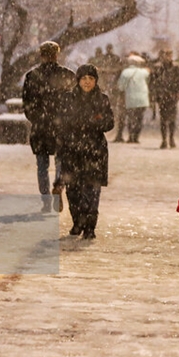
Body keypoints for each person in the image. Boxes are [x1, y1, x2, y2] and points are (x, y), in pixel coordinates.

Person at [57, 64, 114, 239]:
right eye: (84, 78)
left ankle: (90, 226)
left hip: (95, 151)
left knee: (92, 190)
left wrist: (93, 122)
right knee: (73, 189)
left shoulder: (102, 99)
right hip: (72, 150)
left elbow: (109, 123)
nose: (87, 82)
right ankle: (77, 222)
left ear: (96, 81)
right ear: (78, 80)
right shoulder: (68, 98)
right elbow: (62, 122)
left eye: (91, 78)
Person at [22, 41, 76, 211]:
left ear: (41, 55)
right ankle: (58, 186)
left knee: (42, 166)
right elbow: (74, 102)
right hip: (61, 126)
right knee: (61, 161)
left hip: (41, 127)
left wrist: (37, 119)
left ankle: (45, 200)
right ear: (56, 55)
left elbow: (27, 103)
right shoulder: (67, 75)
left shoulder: (32, 76)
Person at [151, 49, 179, 148]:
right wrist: (155, 94)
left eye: (169, 55)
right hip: (162, 96)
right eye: (166, 55)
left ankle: (171, 138)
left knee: (172, 118)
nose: (167, 57)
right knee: (163, 119)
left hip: (172, 96)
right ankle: (164, 139)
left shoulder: (176, 67)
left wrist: (178, 92)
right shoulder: (158, 68)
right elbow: (153, 82)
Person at [117, 54, 150, 143]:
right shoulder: (144, 72)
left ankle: (131, 136)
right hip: (142, 99)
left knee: (131, 118)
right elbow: (148, 80)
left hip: (130, 99)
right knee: (139, 118)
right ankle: (136, 137)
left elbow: (120, 87)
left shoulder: (125, 72)